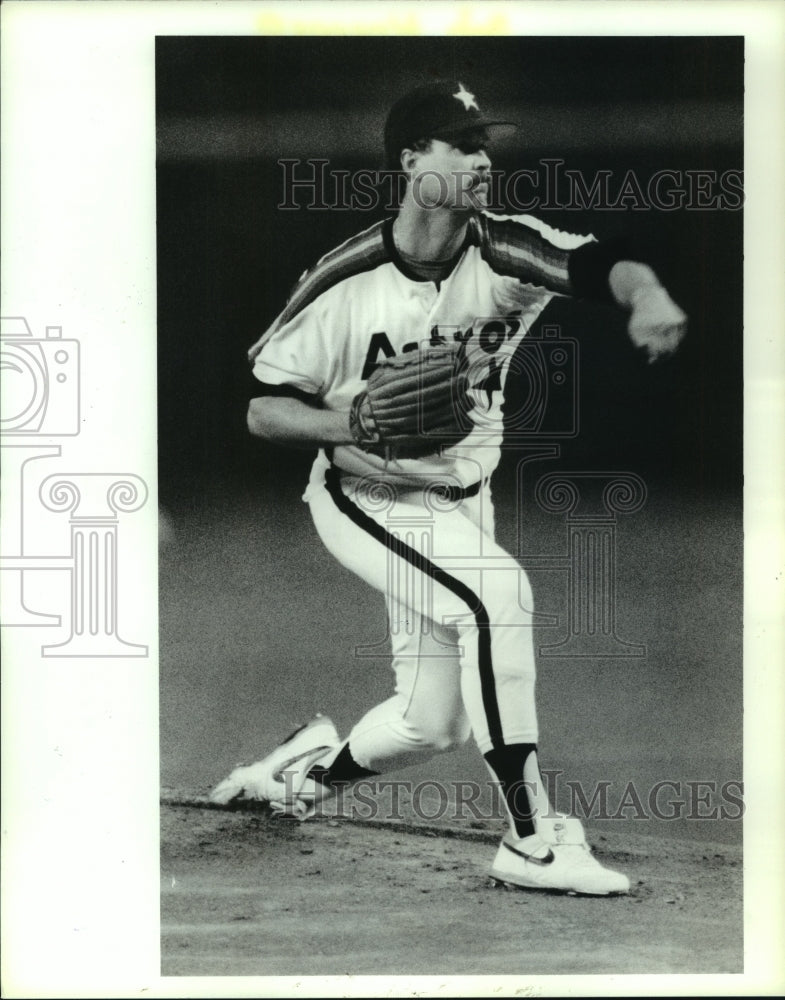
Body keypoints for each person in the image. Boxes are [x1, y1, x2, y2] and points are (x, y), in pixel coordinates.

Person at [210, 80, 686, 895]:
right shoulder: (343, 281)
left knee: (431, 722)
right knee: (497, 597)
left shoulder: (504, 250)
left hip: (462, 502)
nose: (479, 161)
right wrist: (352, 427)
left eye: (484, 146)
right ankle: (533, 839)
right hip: (367, 500)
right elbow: (261, 410)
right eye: (458, 144)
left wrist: (646, 294)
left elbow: (603, 262)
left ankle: (297, 776)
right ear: (408, 159)